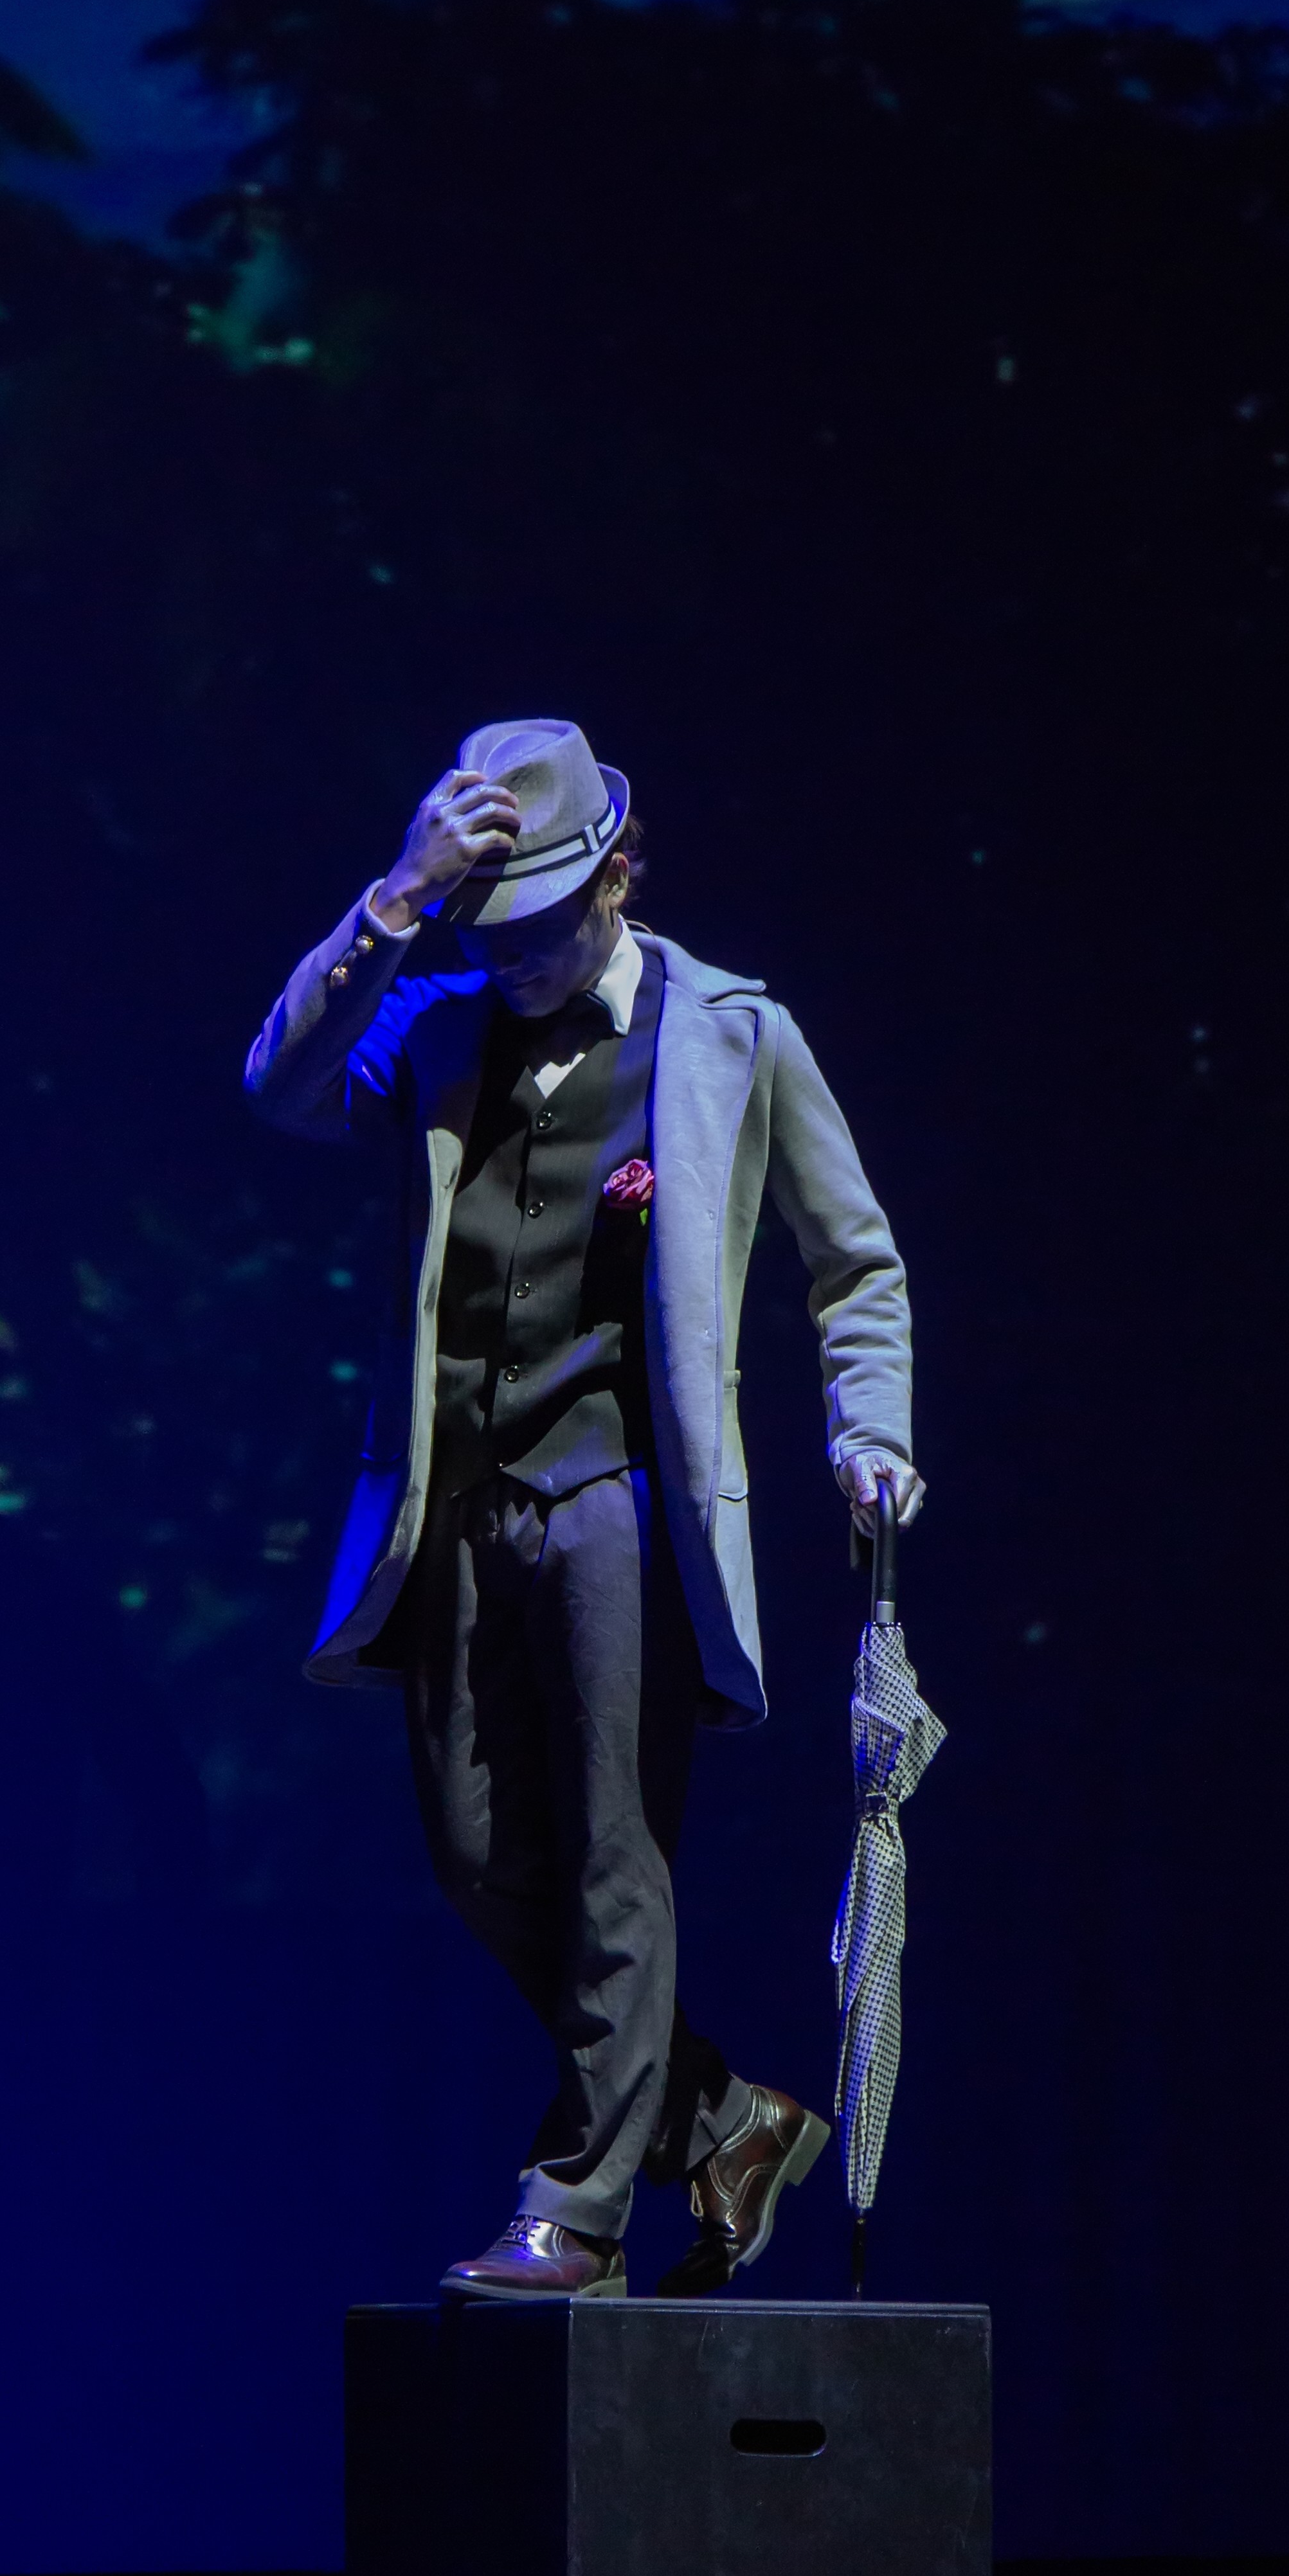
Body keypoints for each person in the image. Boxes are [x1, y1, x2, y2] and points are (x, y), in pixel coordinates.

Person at [245, 719, 921, 2299]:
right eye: (486, 927)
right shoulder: (431, 1021)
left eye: (541, 926)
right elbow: (277, 1085)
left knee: (615, 1849)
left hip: (624, 1492)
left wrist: (869, 1428)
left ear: (617, 876)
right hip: (454, 1498)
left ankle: (579, 2206)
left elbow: (854, 1261)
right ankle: (721, 2117)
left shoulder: (731, 1034)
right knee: (478, 1850)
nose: (516, 959)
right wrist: (393, 899)